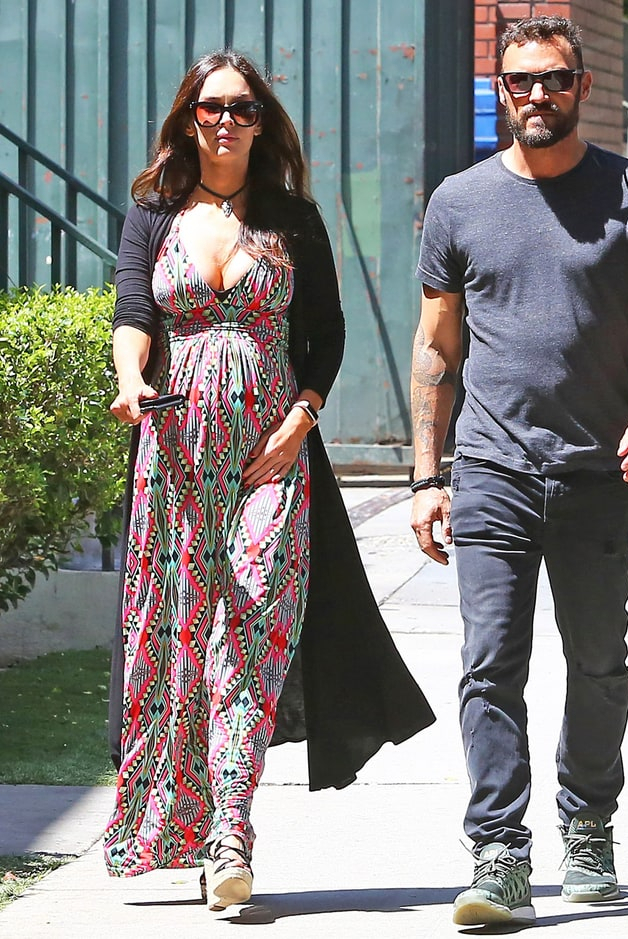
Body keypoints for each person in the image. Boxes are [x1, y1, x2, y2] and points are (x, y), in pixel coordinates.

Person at [105, 50, 434, 912]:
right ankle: (180, 821)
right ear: (187, 119)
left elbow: (325, 333)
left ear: (262, 121)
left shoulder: (295, 219)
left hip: (269, 462)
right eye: (210, 107)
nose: (225, 121)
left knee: (248, 631)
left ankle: (231, 836)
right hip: (174, 458)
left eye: (242, 108)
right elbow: (134, 313)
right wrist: (131, 378)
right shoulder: (153, 215)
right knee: (176, 641)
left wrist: (300, 420)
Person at [410, 15, 628, 928]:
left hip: (597, 469)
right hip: (492, 466)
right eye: (523, 81)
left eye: (557, 80)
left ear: (581, 86)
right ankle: (497, 851)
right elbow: (435, 347)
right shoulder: (457, 201)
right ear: (500, 88)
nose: (539, 95)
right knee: (489, 664)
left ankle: (588, 828)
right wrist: (427, 475)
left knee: (599, 661)